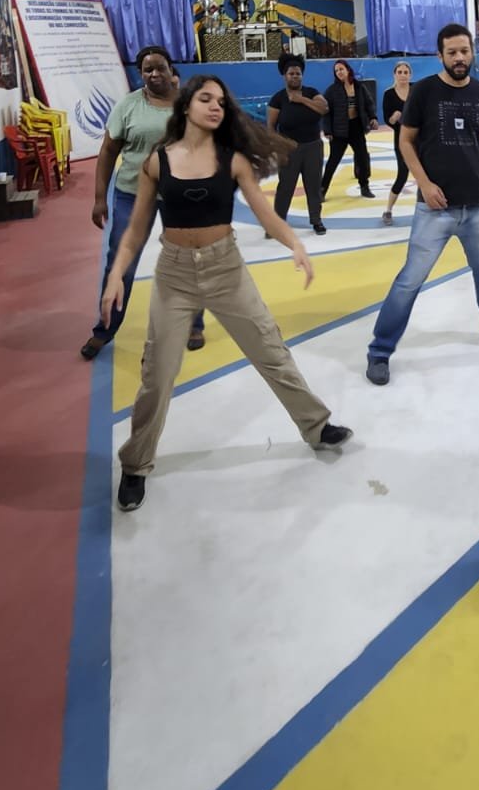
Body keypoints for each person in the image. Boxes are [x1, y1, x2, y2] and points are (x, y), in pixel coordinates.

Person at [103, 75, 352, 512]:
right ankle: (136, 463)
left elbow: (263, 211)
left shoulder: (232, 160)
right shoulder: (157, 162)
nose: (216, 106)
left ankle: (317, 426)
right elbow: (136, 229)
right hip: (175, 274)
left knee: (271, 350)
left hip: (226, 268)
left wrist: (295, 244)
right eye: (205, 99)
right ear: (186, 107)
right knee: (157, 375)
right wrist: (115, 275)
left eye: (221, 101)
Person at [365, 24, 479, 384]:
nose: (459, 58)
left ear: (472, 53)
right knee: (409, 280)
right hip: (434, 208)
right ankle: (380, 350)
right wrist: (423, 182)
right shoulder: (423, 92)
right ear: (440, 55)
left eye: (464, 51)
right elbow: (406, 142)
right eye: (451, 52)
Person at [81, 46, 205, 361]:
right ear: (141, 74)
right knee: (120, 264)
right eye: (147, 69)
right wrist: (99, 198)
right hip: (131, 194)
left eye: (159, 67)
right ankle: (104, 330)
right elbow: (108, 151)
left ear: (170, 69)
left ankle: (194, 323)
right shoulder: (128, 106)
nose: (153, 74)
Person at [266, 53, 328, 235]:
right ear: (284, 76)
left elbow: (324, 108)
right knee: (285, 186)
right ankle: (277, 224)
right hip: (289, 148)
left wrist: (301, 99)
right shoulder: (278, 98)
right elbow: (270, 125)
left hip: (313, 147)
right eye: (291, 73)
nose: (295, 76)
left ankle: (316, 220)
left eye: (298, 73)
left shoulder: (311, 92)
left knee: (313, 185)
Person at [321, 59, 377, 198]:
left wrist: (373, 117)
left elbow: (369, 104)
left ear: (348, 70)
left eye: (341, 69)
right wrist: (327, 131)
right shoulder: (331, 91)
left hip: (356, 127)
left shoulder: (359, 87)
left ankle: (364, 186)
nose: (339, 72)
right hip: (339, 131)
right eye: (336, 70)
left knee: (363, 158)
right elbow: (326, 112)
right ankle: (321, 190)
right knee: (333, 161)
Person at [381, 61, 414, 226]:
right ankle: (388, 210)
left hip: (420, 138)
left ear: (410, 75)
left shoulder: (416, 90)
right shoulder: (389, 94)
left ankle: (432, 206)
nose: (402, 75)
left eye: (405, 72)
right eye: (399, 72)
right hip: (401, 138)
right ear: (394, 75)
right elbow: (388, 120)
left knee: (430, 171)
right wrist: (394, 118)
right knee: (402, 174)